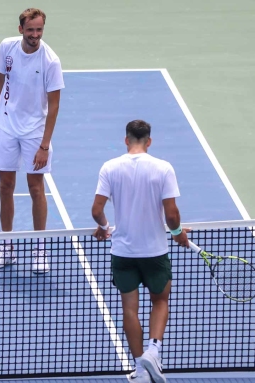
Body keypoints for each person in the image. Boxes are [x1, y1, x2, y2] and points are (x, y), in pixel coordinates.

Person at [91, 120, 190, 383]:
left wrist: (103, 227)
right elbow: (172, 214)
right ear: (149, 141)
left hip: (123, 252)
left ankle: (140, 370)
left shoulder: (109, 168)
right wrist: (178, 232)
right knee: (160, 301)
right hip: (155, 252)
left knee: (129, 311)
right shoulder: (163, 168)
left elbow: (96, 210)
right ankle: (153, 351)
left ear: (126, 140)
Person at [0, 8, 64, 274]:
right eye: (30, 30)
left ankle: (40, 249)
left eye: (39, 30)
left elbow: (54, 105)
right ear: (21, 30)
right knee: (5, 185)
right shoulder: (7, 48)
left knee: (36, 188)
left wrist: (44, 145)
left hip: (34, 132)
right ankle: (6, 247)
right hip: (5, 126)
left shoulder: (50, 61)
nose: (35, 35)